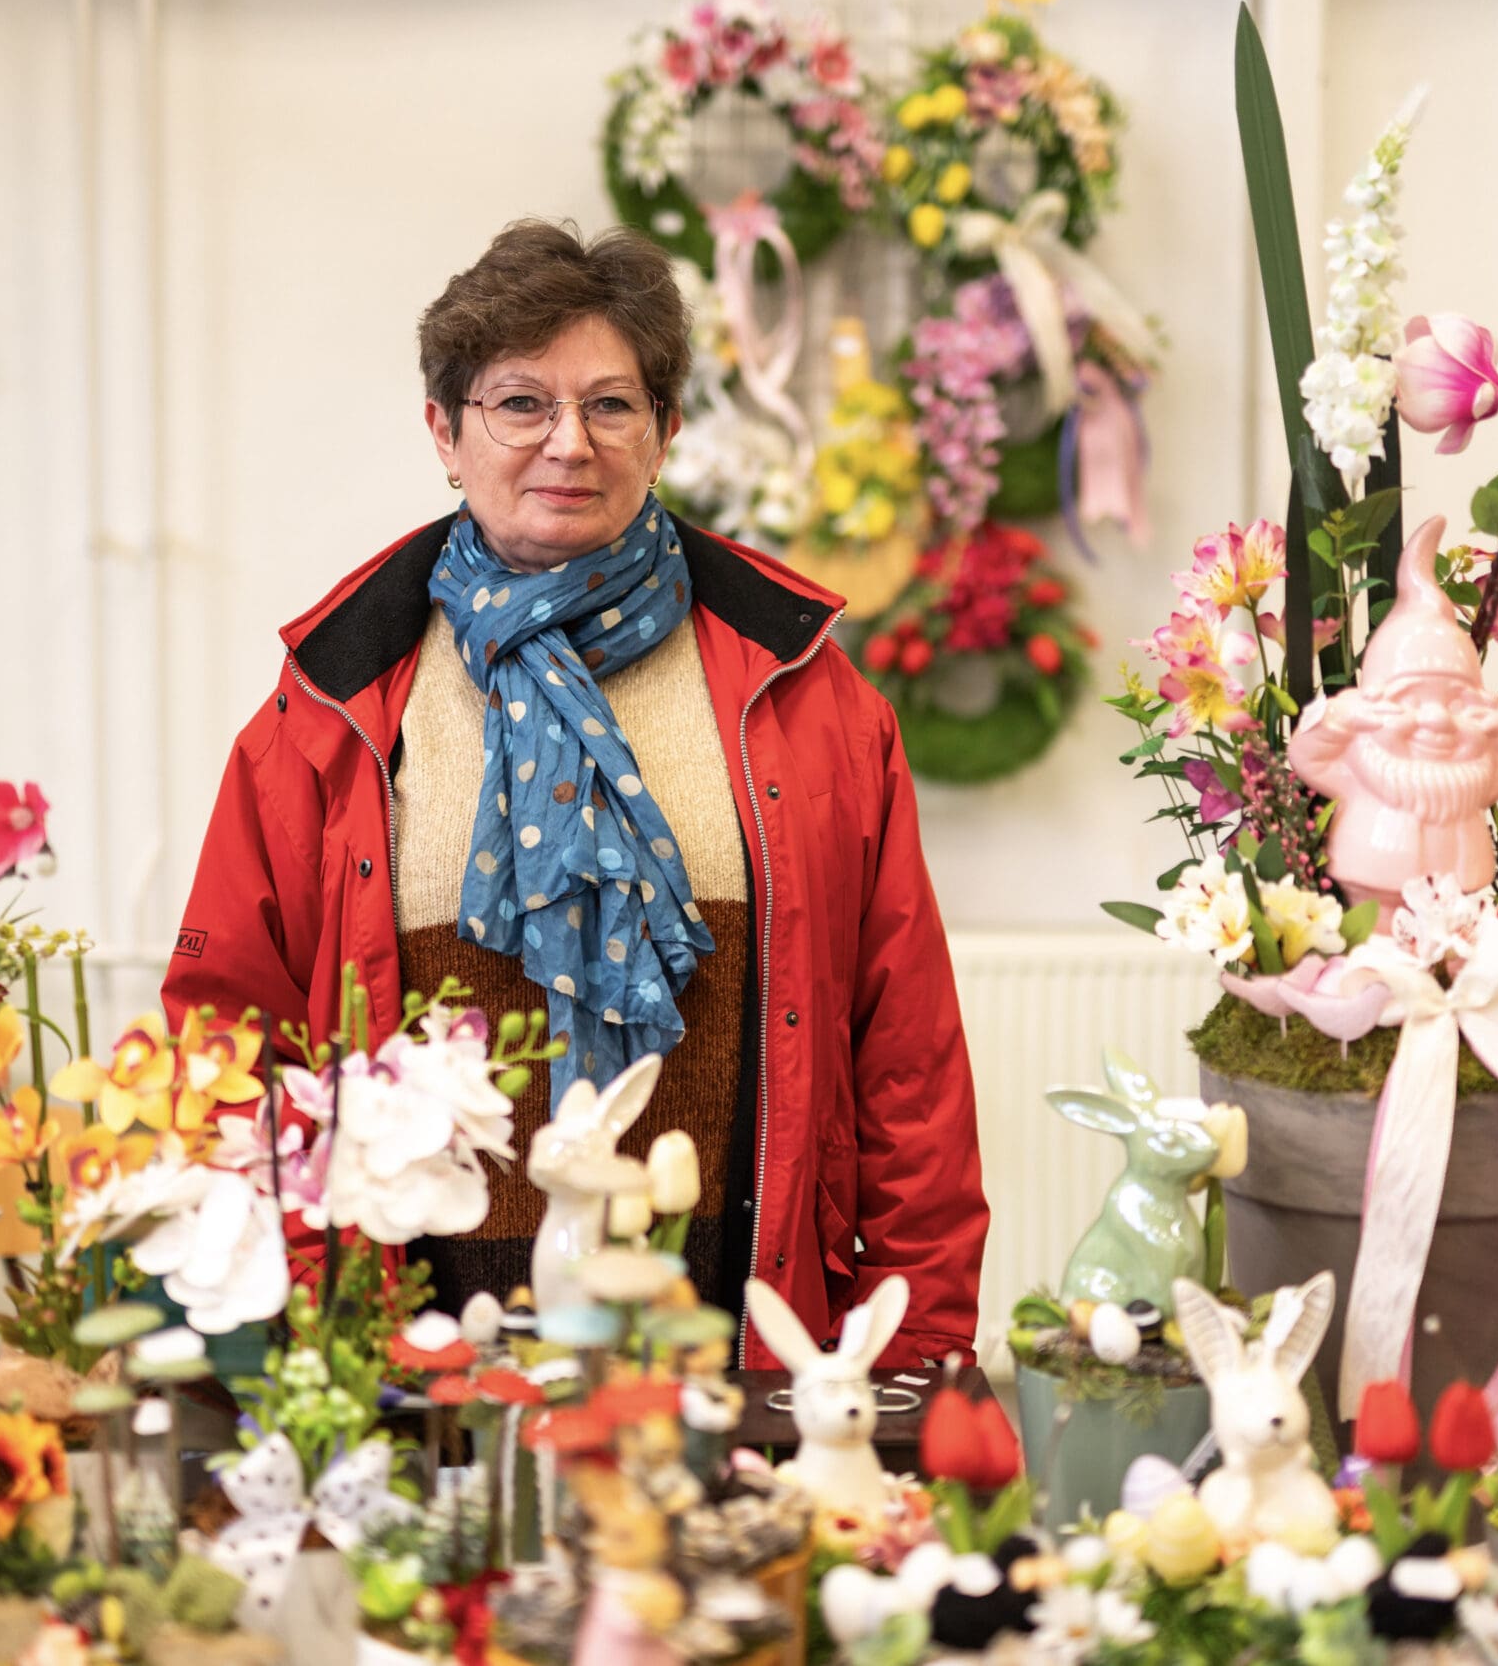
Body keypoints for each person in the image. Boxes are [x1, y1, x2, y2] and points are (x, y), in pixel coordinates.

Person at [163, 219, 985, 1370]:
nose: (568, 442)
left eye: (610, 405)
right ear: (444, 432)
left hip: (739, 1357)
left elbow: (907, 1057)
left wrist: (916, 1349)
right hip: (421, 1371)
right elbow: (227, 1048)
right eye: (519, 403)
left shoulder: (807, 692)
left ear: (666, 430)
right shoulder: (329, 705)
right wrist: (308, 1343)